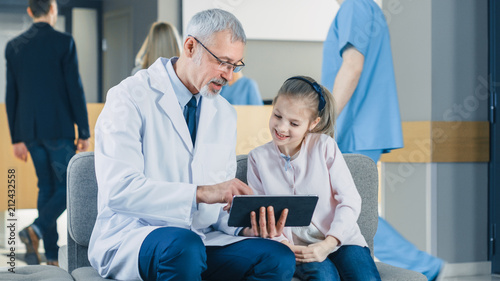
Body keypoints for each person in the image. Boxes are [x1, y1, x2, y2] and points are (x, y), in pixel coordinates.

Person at [89, 9, 295, 281]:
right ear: (190, 47)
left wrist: (245, 228)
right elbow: (119, 190)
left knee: (277, 257)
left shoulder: (224, 113)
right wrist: (200, 192)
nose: (229, 75)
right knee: (183, 247)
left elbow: (218, 207)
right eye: (223, 62)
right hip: (135, 235)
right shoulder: (128, 98)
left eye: (235, 65)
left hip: (199, 239)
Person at [321, 0, 444, 279]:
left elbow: (352, 67)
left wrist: (324, 118)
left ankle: (420, 264)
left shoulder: (355, 6)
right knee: (345, 201)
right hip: (361, 124)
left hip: (355, 124)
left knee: (349, 204)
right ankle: (416, 263)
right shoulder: (365, 7)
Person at [247, 76, 382, 281]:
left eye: (294, 123)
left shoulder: (324, 147)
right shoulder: (258, 159)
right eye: (277, 116)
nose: (282, 128)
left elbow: (350, 200)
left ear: (313, 123)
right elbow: (261, 214)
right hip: (295, 248)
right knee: (325, 277)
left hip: (342, 240)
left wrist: (329, 243)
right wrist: (285, 247)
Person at [5, 0, 90, 266]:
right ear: (52, 10)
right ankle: (38, 230)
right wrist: (84, 130)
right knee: (69, 188)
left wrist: (16, 138)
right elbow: (74, 88)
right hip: (59, 128)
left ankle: (50, 256)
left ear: (30, 11)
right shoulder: (64, 42)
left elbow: (12, 95)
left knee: (47, 186)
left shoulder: (14, 46)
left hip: (30, 131)